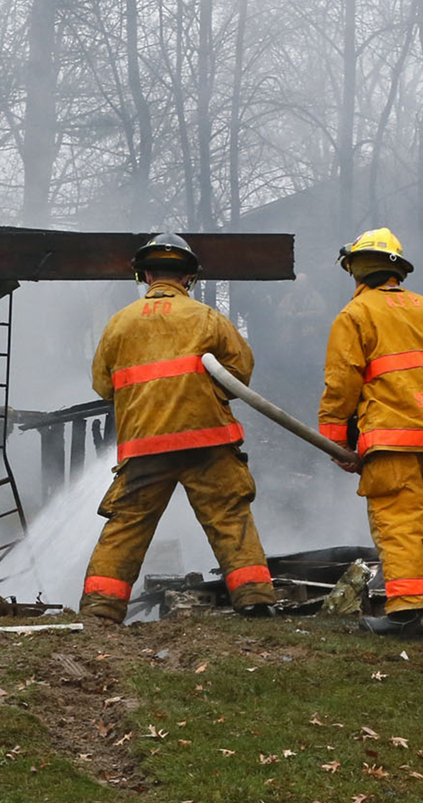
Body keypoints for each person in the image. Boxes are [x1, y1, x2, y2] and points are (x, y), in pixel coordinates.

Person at [80, 233, 279, 623]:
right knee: (228, 515)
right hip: (207, 440)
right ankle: (254, 597)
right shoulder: (207, 318)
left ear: (145, 274)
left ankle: (102, 609)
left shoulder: (119, 324)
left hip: (143, 445)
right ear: (189, 277)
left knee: (127, 524)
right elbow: (240, 374)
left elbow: (103, 385)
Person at [317, 228, 423, 637]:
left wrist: (335, 440)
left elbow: (342, 381)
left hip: (391, 439)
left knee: (399, 522)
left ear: (356, 270)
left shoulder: (356, 315)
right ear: (396, 270)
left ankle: (405, 612)